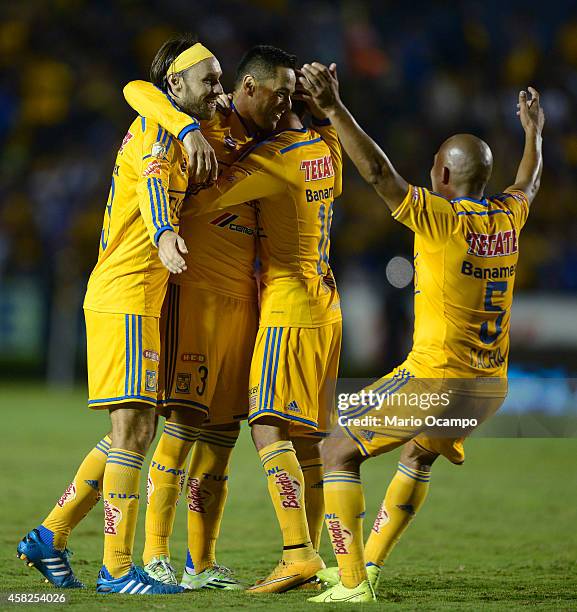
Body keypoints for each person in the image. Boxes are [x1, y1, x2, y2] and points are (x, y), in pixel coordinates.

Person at [299, 62, 544, 603]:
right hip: (487, 387)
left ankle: (351, 582)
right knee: (417, 456)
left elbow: (380, 176)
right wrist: (534, 133)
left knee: (335, 450)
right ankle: (370, 566)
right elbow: (528, 180)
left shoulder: (441, 220)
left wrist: (335, 108)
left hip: (435, 381)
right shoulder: (508, 217)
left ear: (442, 177)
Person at [122, 45, 337, 591]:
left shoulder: (268, 146)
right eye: (278, 93)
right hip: (195, 296)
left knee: (221, 441)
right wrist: (186, 129)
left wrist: (325, 110)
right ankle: (153, 556)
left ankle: (201, 562)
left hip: (250, 303)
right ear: (247, 89)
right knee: (183, 425)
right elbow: (139, 91)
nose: (284, 103)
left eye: (291, 96)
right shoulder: (205, 121)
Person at [16, 35, 223, 595]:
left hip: (138, 296)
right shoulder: (161, 128)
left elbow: (141, 93)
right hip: (126, 293)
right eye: (209, 81)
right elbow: (155, 181)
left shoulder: (180, 119)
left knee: (131, 430)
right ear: (175, 86)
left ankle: (51, 536)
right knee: (132, 432)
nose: (218, 90)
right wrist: (163, 235)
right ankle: (115, 569)